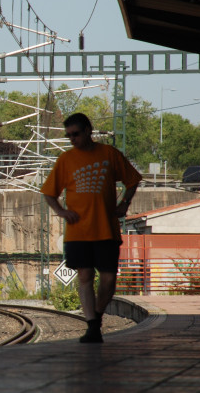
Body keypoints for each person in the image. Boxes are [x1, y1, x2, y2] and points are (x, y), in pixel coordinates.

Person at [41, 113, 141, 343]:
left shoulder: (109, 154)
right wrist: (61, 212)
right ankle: (93, 324)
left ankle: (96, 315)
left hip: (106, 227)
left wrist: (124, 203)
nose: (72, 139)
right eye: (68, 136)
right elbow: (49, 192)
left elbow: (133, 179)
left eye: (75, 134)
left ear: (88, 130)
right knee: (84, 275)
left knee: (108, 278)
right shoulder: (66, 159)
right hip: (78, 231)